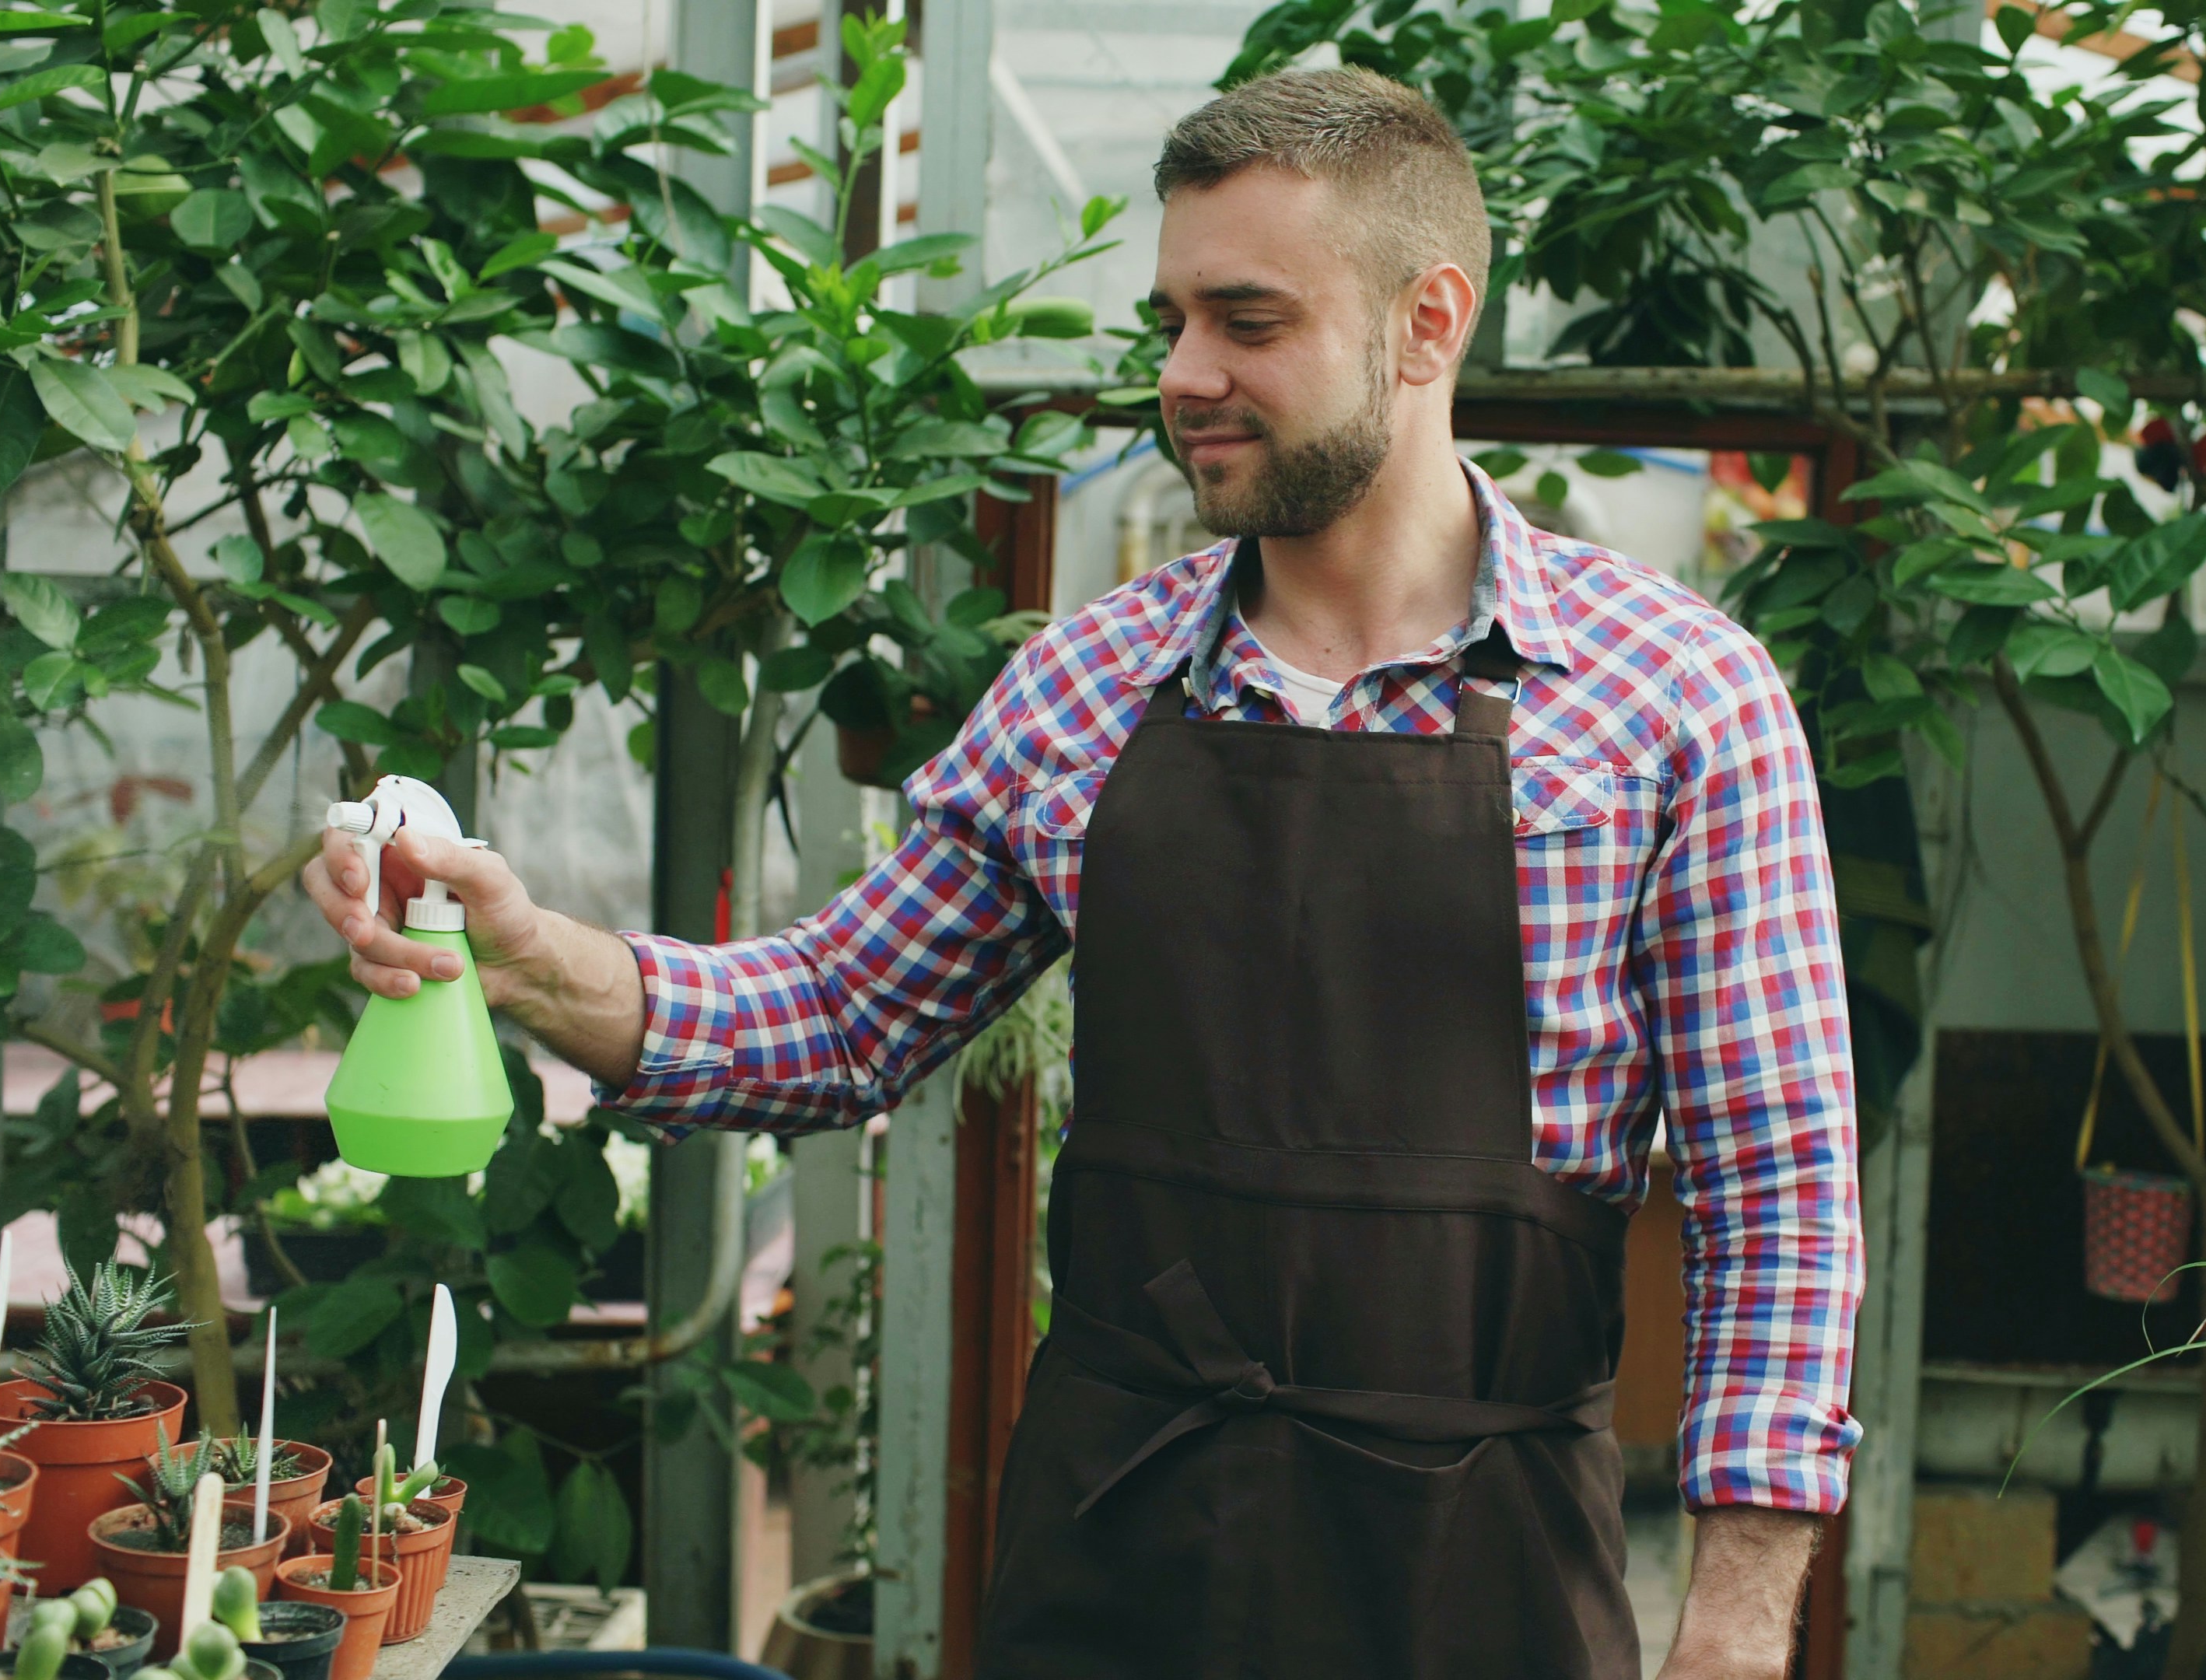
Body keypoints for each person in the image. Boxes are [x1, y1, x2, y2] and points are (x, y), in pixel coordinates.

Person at [304, 65, 1861, 1680]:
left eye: (1247, 322)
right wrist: (524, 945)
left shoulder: (1675, 701)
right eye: (1173, 321)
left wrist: (1735, 1633)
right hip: (1124, 1554)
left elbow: (1781, 1199)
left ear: (1427, 322)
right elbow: (839, 1016)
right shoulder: (1090, 687)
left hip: (1478, 1577)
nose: (1187, 375)